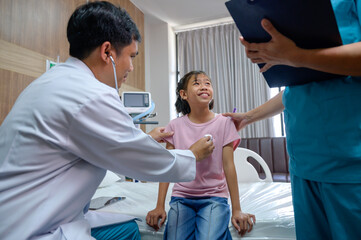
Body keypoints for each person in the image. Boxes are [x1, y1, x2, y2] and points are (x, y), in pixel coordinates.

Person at [0, 2, 215, 240]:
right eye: (131, 56)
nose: (132, 67)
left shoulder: (50, 81)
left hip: (17, 214)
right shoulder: (93, 95)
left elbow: (106, 141)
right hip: (30, 229)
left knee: (129, 228)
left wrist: (144, 139)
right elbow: (141, 159)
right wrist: (192, 155)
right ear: (107, 52)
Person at [224, 1, 361, 239]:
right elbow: (299, 90)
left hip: (349, 165)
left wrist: (298, 56)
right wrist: (248, 117)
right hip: (303, 163)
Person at [146, 71, 256, 239]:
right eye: (197, 83)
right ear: (183, 94)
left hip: (214, 197)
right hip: (182, 198)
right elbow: (168, 166)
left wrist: (237, 209)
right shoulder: (174, 126)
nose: (204, 86)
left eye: (208, 83)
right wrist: (159, 206)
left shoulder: (224, 122)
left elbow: (229, 166)